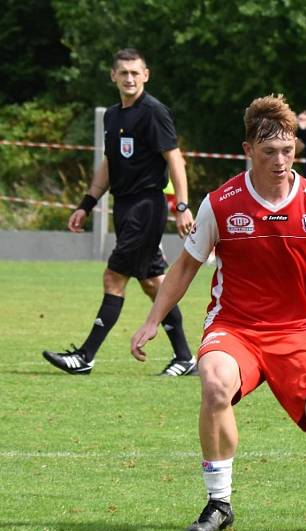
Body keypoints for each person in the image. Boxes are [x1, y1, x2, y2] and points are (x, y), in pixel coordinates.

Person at [130, 94, 306, 531]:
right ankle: (218, 503)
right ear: (248, 150)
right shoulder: (221, 203)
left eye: (288, 151)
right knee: (214, 383)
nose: (280, 160)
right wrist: (153, 319)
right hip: (233, 329)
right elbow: (186, 267)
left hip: (295, 335)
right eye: (269, 151)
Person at [42, 48, 197, 377]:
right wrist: (87, 204)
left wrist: (182, 206)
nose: (129, 78)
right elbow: (110, 163)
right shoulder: (111, 116)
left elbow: (175, 160)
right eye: (123, 72)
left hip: (146, 206)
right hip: (123, 206)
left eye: (135, 72)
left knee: (114, 276)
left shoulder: (154, 112)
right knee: (154, 283)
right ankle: (185, 358)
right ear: (113, 75)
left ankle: (85, 356)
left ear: (146, 75)